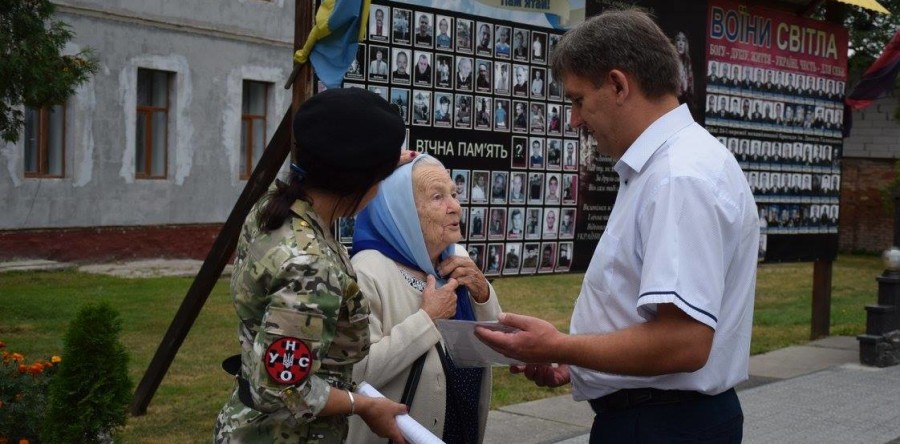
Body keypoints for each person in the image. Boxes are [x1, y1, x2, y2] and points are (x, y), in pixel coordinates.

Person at [476, 10, 757, 443]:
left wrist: (559, 346)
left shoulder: (677, 176)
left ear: (618, 85)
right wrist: (581, 363)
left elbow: (684, 342)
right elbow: (641, 312)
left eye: (577, 100)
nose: (573, 120)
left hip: (662, 426)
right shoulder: (667, 166)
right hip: (660, 418)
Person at [214, 88, 413, 443]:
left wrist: (377, 162)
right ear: (357, 182)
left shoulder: (274, 207)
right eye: (380, 180)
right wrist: (362, 405)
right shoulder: (309, 268)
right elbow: (280, 389)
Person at [349, 154, 501, 443]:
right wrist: (427, 319)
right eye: (437, 197)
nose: (455, 206)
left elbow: (491, 343)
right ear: (401, 210)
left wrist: (482, 294)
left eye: (454, 194)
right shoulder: (367, 272)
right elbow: (356, 373)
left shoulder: (457, 258)